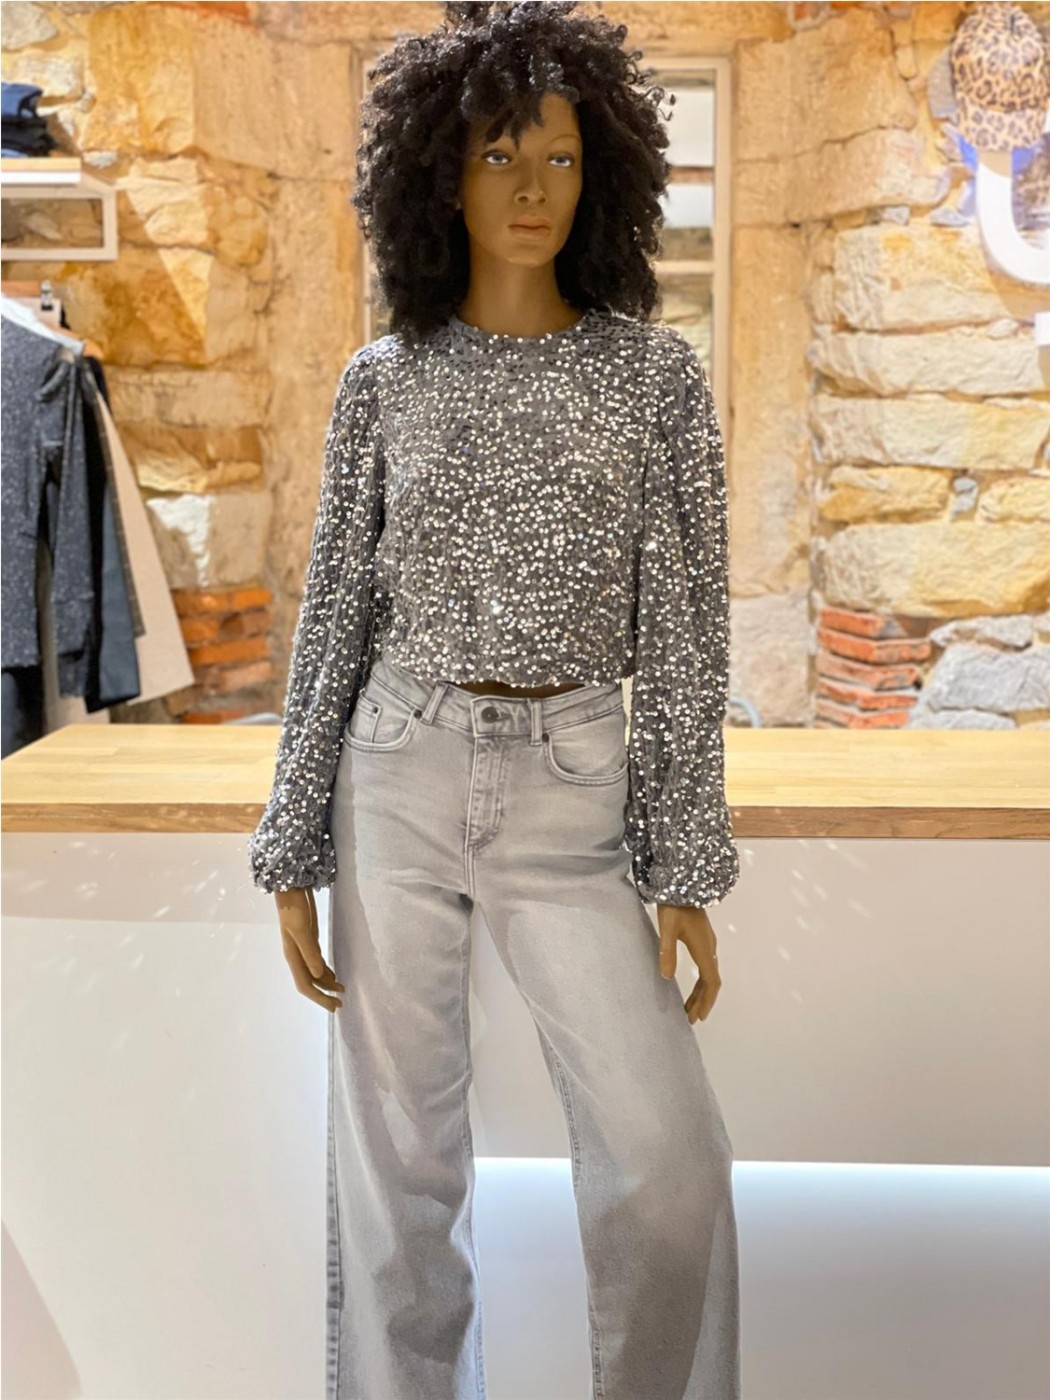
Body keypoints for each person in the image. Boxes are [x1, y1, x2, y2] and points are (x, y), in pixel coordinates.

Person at [249, 3, 742, 1396]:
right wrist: (293, 840)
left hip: (575, 788)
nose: (533, 188)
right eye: (499, 156)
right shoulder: (384, 379)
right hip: (396, 772)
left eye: (562, 158)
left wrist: (684, 860)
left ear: (605, 174)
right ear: (441, 178)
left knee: (670, 1169)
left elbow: (685, 630)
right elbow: (336, 611)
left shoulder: (652, 378)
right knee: (400, 1184)